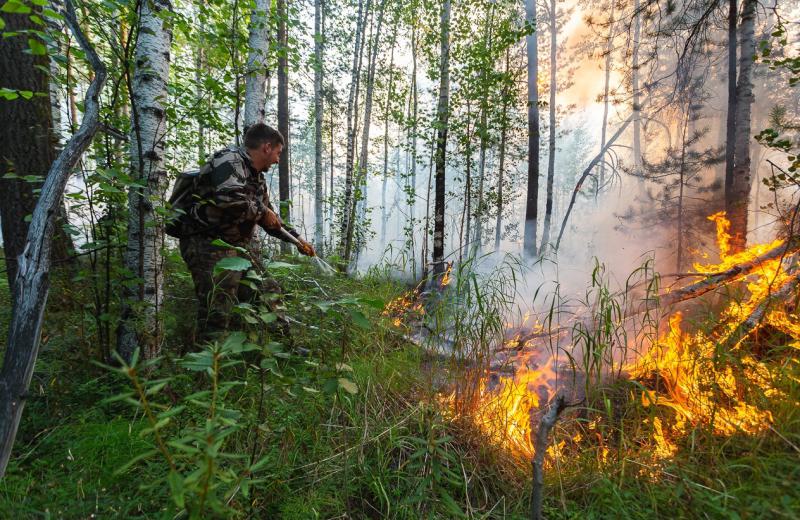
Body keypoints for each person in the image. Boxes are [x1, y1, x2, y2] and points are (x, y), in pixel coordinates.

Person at [172, 123, 314, 339]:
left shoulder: (256, 176)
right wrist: (262, 211)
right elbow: (228, 199)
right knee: (218, 307)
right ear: (267, 147)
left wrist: (297, 241)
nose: (277, 159)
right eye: (278, 153)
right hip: (208, 245)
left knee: (268, 292)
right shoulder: (228, 160)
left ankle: (285, 349)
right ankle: (211, 363)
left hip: (238, 246)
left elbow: (271, 219)